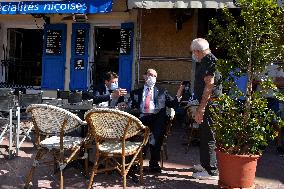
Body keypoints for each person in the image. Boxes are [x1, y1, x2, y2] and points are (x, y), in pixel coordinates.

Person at [128, 68, 183, 173]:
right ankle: (134, 163)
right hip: (141, 119)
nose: (152, 77)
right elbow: (130, 107)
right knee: (134, 136)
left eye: (154, 76)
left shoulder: (162, 92)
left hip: (157, 119)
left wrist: (179, 94)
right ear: (144, 76)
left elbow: (173, 104)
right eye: (150, 75)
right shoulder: (135, 93)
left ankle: (153, 164)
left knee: (155, 138)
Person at [188, 38, 219, 180]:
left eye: (193, 52)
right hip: (208, 104)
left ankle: (211, 171)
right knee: (204, 135)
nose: (193, 55)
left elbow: (209, 87)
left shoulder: (209, 61)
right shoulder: (207, 60)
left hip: (210, 105)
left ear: (198, 51)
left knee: (208, 136)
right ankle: (205, 164)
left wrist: (201, 108)